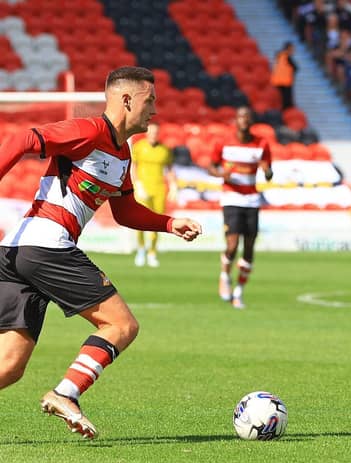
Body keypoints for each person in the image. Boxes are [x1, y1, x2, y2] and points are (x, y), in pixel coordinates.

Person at [0, 66, 202, 439]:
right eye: (150, 100)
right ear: (127, 100)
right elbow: (22, 138)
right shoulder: (88, 130)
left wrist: (169, 223)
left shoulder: (122, 154)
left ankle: (65, 393)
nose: (155, 110)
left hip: (18, 251)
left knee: (9, 366)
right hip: (46, 245)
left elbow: (125, 212)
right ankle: (65, 393)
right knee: (121, 325)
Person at [207, 107, 273, 309]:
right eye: (241, 117)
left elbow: (269, 173)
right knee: (233, 245)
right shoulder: (223, 142)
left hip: (252, 200)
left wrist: (267, 170)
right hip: (231, 198)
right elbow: (211, 166)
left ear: (251, 121)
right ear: (235, 120)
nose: (244, 120)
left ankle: (239, 292)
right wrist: (221, 175)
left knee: (250, 248)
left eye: (248, 117)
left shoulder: (261, 143)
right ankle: (225, 276)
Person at [131, 122, 177, 267]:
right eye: (151, 132)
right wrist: (137, 184)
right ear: (146, 133)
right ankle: (140, 249)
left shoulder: (164, 150)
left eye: (156, 132)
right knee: (140, 221)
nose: (153, 135)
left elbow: (169, 169)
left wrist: (174, 185)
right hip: (143, 189)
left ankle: (152, 252)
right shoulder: (139, 147)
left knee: (157, 222)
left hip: (159, 189)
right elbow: (133, 167)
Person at [271, 41, 298, 110]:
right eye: (292, 49)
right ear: (288, 48)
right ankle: (287, 109)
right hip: (285, 81)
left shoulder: (279, 56)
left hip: (277, 80)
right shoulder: (287, 56)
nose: (293, 51)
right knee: (286, 98)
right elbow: (296, 68)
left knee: (282, 97)